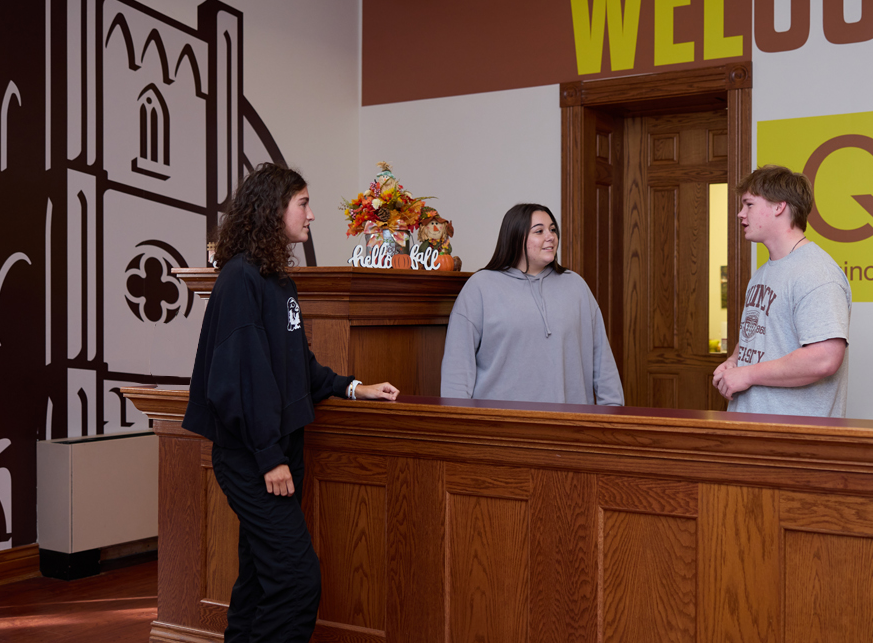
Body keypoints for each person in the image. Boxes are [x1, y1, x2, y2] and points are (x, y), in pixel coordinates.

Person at [181, 163, 399, 643]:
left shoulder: (276, 280)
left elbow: (295, 365)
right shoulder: (239, 279)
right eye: (303, 203)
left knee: (261, 576)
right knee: (299, 579)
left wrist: (352, 387)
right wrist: (269, 458)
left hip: (279, 449)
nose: (312, 214)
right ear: (271, 210)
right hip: (255, 457)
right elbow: (240, 380)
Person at [441, 203, 624, 406]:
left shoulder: (576, 286)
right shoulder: (480, 287)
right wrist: (457, 426)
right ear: (516, 237)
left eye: (553, 229)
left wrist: (612, 415)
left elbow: (602, 362)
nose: (551, 236)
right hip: (498, 430)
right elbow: (457, 369)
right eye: (539, 231)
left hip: (569, 429)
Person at [712, 165, 851, 417]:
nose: (740, 214)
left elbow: (825, 358)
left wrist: (747, 373)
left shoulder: (817, 273)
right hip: (752, 431)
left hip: (793, 440)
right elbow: (758, 335)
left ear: (779, 207)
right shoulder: (764, 271)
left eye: (749, 205)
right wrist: (735, 361)